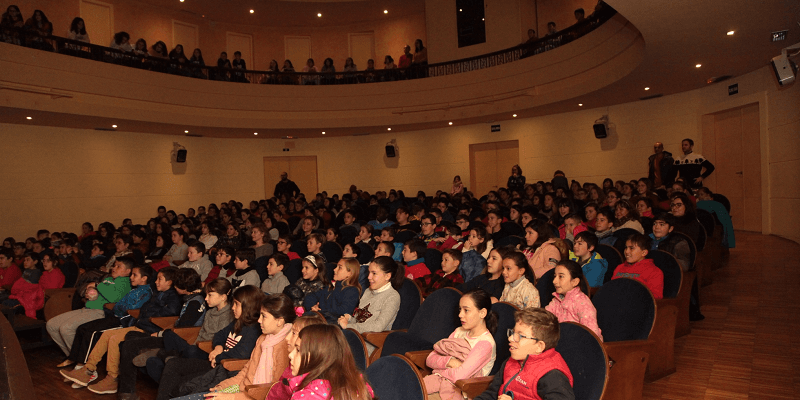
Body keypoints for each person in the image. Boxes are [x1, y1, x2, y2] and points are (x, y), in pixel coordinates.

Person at [61, 266, 187, 393]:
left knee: (115, 339)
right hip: (140, 325)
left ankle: (112, 378)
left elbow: (163, 315)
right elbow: (145, 309)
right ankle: (88, 369)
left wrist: (147, 316)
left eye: (160, 279)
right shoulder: (158, 293)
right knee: (106, 335)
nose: (156, 281)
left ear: (170, 282)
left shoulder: (173, 298)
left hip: (151, 330)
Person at [155, 286, 264, 400]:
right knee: (173, 364)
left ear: (249, 306)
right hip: (216, 364)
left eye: (236, 304)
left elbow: (241, 354)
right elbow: (219, 334)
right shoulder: (238, 322)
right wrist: (218, 348)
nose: (232, 308)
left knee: (181, 383)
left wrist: (218, 357)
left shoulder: (254, 330)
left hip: (225, 369)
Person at [180, 293, 297, 400]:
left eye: (264, 316)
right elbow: (246, 372)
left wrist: (232, 397)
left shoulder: (286, 346)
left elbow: (273, 390)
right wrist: (222, 387)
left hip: (253, 395)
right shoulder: (263, 338)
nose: (259, 320)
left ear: (279, 321)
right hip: (242, 390)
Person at [474, 308, 575, 400]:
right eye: (513, 333)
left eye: (520, 336)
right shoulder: (511, 360)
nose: (510, 338)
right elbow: (492, 394)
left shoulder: (553, 375)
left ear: (539, 346)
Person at [47, 259, 132, 357]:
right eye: (114, 265)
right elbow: (98, 292)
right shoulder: (108, 279)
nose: (114, 268)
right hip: (87, 308)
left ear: (127, 271)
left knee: (66, 329)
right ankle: (71, 356)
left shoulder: (126, 283)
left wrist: (97, 285)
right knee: (51, 325)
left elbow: (114, 297)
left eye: (118, 266)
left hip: (99, 312)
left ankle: (80, 359)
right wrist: (90, 293)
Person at [424, 289, 497, 400]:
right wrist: (451, 362)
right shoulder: (459, 331)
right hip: (438, 382)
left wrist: (439, 369)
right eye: (460, 309)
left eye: (466, 310)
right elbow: (430, 359)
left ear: (482, 313)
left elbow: (459, 376)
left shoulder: (485, 343)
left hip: (460, 392)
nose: (460, 315)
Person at [287, 324, 374, 400]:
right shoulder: (358, 385)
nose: (290, 355)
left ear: (317, 356)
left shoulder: (307, 396)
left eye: (298, 350)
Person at [338, 256, 402, 334]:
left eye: (374, 273)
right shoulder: (368, 291)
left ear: (387, 276)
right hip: (355, 334)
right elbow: (361, 320)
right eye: (369, 272)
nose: (369, 277)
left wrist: (348, 326)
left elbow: (378, 326)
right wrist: (350, 319)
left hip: (369, 340)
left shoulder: (392, 296)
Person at [546, 260, 602, 340]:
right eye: (555, 276)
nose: (554, 281)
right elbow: (544, 319)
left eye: (561, 277)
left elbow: (591, 335)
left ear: (575, 282)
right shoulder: (556, 300)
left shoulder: (582, 303)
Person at [303, 258, 360, 323]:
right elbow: (310, 297)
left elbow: (344, 311)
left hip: (332, 327)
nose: (334, 269)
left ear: (349, 273)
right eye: (336, 267)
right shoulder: (331, 287)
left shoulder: (352, 291)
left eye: (340, 268)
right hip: (321, 320)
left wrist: (320, 311)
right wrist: (313, 307)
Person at [612, 233, 663, 299]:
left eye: (631, 248)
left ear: (644, 252)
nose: (627, 251)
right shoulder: (620, 267)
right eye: (626, 248)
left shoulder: (654, 272)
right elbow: (611, 289)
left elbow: (655, 298)